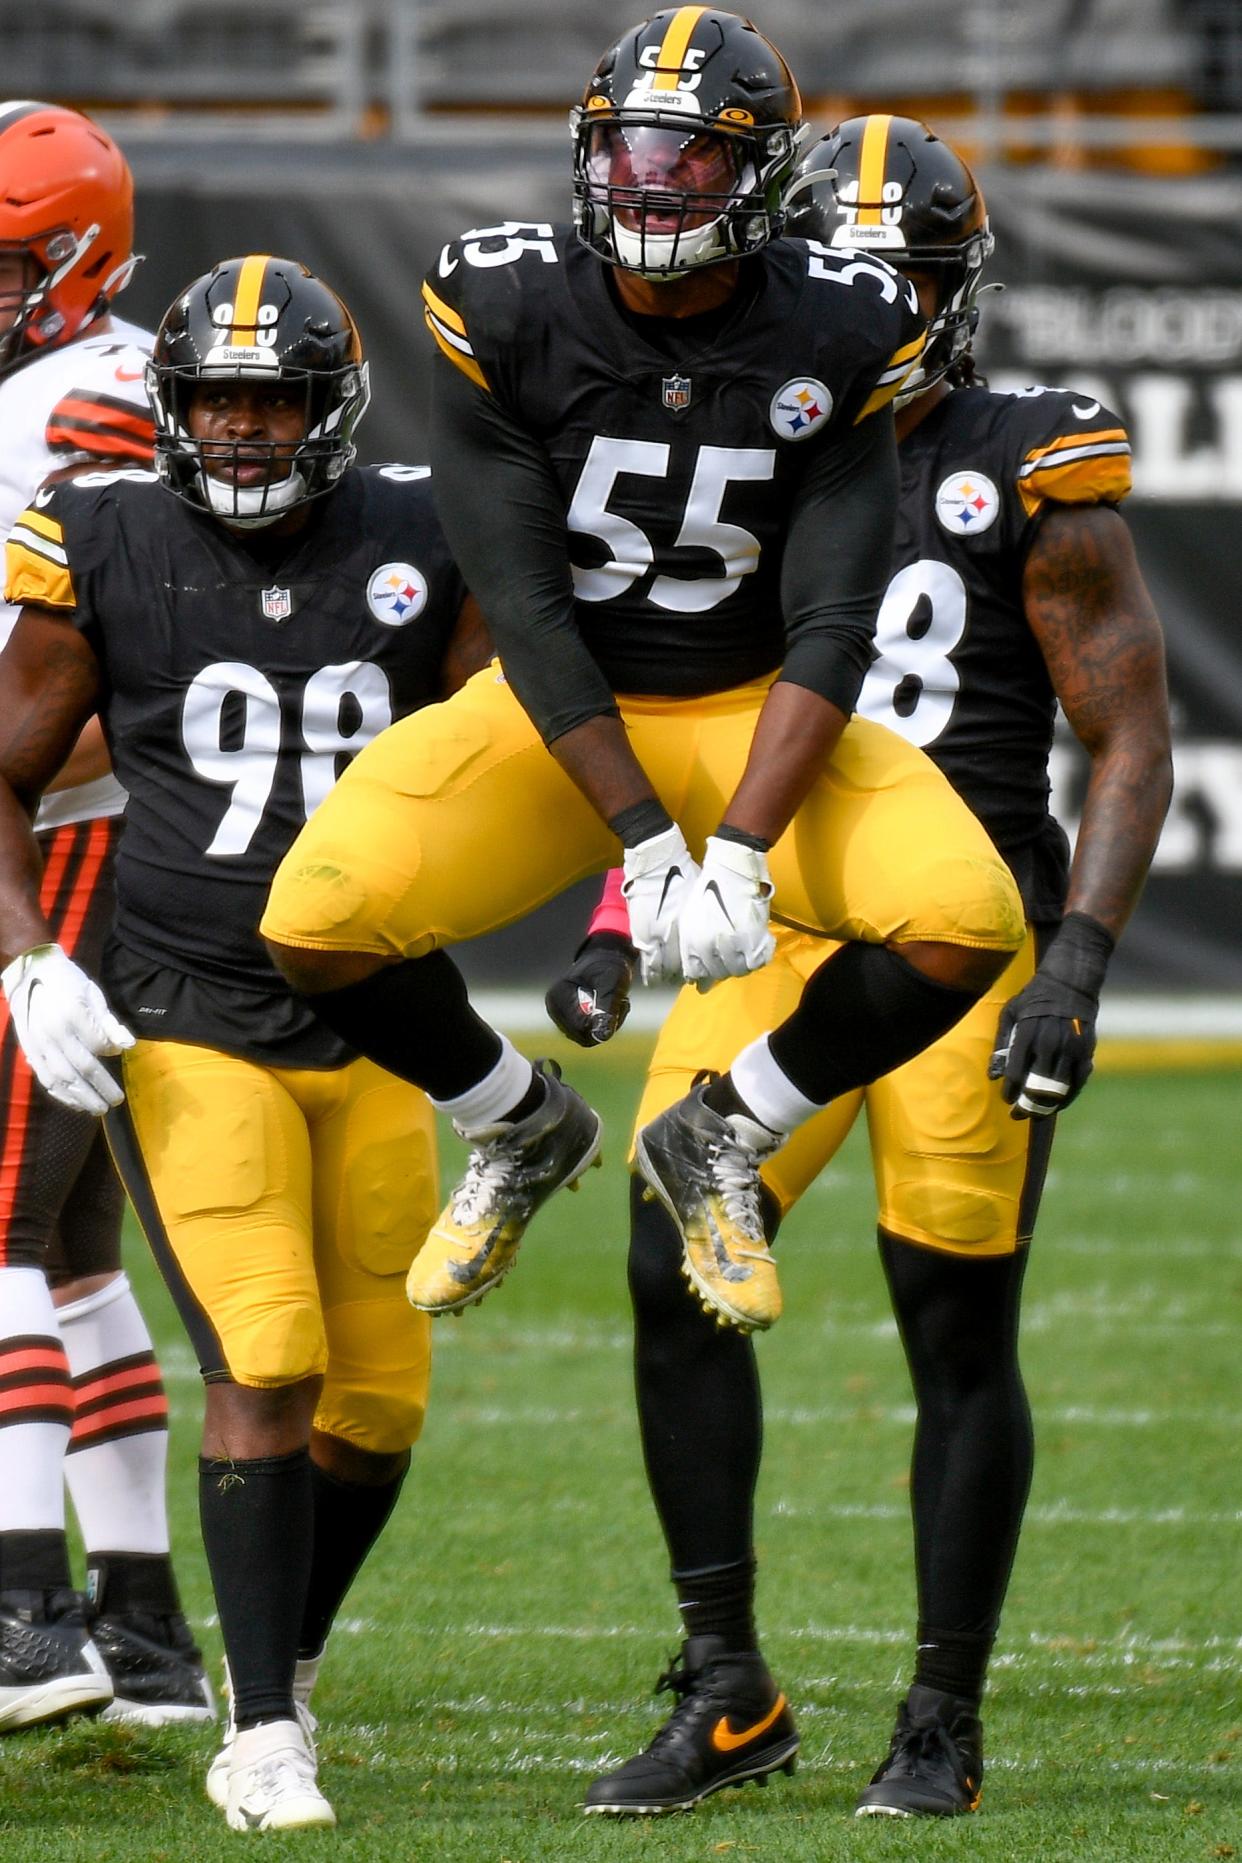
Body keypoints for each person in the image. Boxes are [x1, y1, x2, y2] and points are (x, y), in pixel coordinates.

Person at [549, 116, 1173, 1819]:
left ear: (960, 294)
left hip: (965, 942)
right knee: (668, 1252)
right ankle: (728, 1688)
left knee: (952, 1321)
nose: (880, 307)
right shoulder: (724, 443)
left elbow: (1125, 738)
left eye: (913, 279)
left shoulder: (1019, 458)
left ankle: (940, 1713)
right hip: (780, 927)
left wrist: (1080, 961)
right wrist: (619, 918)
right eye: (852, 276)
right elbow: (667, 709)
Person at [257, 10, 1024, 1347]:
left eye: (690, 156)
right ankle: (515, 1122)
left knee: (965, 916)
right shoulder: (504, 300)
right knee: (313, 922)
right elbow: (526, 604)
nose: (648, 180)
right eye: (626, 148)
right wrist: (643, 843)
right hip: (563, 716)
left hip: (754, 704)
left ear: (760, 178)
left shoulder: (839, 323)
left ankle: (724, 1128)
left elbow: (835, 614)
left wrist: (739, 845)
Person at [0, 254, 493, 1829]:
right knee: (267, 1353)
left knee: (377, 1403)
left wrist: (619, 885)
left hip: (377, 1018)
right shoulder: (106, 532)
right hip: (187, 1002)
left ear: (330, 409)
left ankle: (277, 1658)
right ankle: (262, 1729)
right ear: (170, 408)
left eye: (270, 399)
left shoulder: (423, 531)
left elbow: (528, 738)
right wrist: (27, 962)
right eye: (213, 399)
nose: (239, 430)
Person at [0, 98, 211, 1732]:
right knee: (69, 1235)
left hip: (68, 818)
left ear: (71, 263)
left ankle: (24, 1613)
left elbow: (131, 645)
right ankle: (140, 1629)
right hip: (66, 815)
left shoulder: (95, 396)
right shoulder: (60, 381)